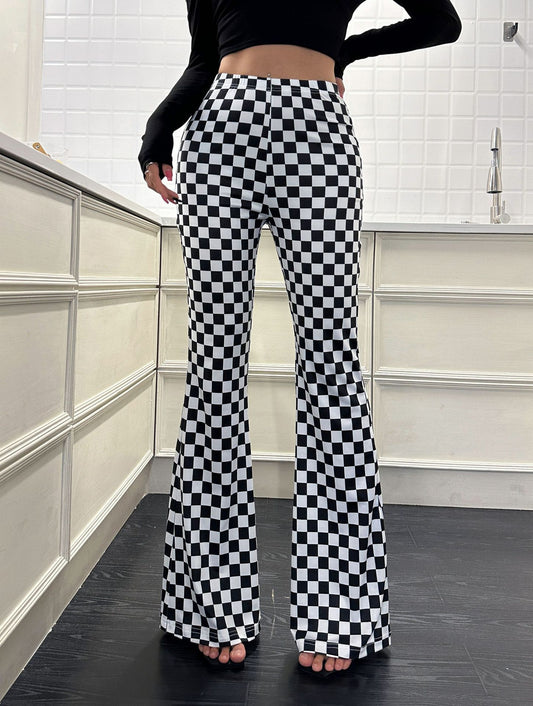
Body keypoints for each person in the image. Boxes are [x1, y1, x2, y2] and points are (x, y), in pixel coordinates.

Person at [138, 0, 462, 679]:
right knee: (213, 363)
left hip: (317, 133)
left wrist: (347, 51)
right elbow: (203, 60)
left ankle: (338, 610)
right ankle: (211, 606)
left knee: (331, 365)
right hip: (219, 132)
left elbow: (440, 21)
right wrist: (158, 127)